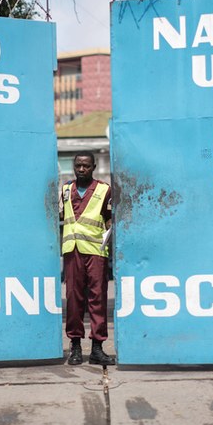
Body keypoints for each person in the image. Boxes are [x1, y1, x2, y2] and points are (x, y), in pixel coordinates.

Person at [61, 152, 115, 366]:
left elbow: (109, 218)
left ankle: (97, 348)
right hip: (72, 250)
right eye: (78, 166)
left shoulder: (104, 190)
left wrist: (109, 235)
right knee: (74, 299)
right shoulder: (66, 189)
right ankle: (75, 346)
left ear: (93, 167)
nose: (81, 169)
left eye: (85, 166)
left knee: (97, 298)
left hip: (95, 251)